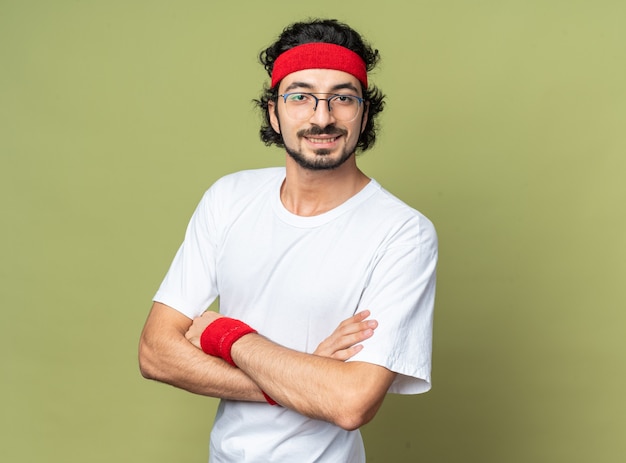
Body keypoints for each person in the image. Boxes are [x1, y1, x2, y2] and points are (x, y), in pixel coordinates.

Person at [139, 18, 438, 463]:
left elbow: (349, 402)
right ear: (273, 113)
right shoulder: (229, 198)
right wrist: (306, 374)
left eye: (342, 97)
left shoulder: (402, 233)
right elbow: (155, 353)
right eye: (300, 96)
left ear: (365, 114)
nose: (323, 116)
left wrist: (227, 335)